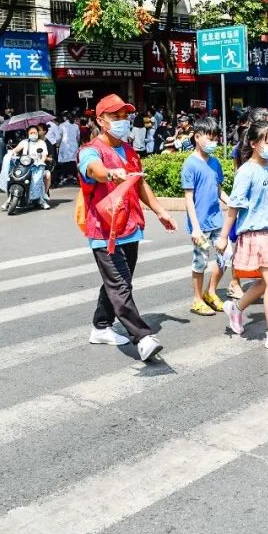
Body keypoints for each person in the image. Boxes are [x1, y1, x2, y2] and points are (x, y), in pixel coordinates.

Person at [78, 93, 176, 363]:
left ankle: (100, 326)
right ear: (101, 120)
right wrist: (110, 173)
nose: (122, 120)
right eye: (115, 116)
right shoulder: (90, 151)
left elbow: (140, 184)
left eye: (125, 115)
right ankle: (142, 337)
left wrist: (160, 211)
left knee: (119, 282)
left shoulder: (130, 151)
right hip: (103, 232)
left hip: (130, 227)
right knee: (120, 285)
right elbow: (93, 170)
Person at [217, 120, 268, 352]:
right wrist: (224, 237)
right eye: (267, 141)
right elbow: (234, 206)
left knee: (266, 282)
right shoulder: (247, 172)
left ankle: (236, 308)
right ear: (253, 143)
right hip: (255, 233)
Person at [181, 117, 228, 317]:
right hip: (200, 224)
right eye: (210, 138)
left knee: (225, 256)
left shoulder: (215, 162)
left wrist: (233, 202)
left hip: (217, 220)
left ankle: (211, 292)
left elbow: (219, 190)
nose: (213, 142)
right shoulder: (190, 164)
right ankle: (197, 300)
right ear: (197, 137)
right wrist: (196, 227)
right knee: (200, 261)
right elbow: (189, 199)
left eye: (215, 138)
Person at [5, 125, 51, 210]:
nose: (33, 134)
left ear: (38, 133)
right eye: (31, 133)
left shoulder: (42, 143)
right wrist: (10, 153)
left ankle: (42, 197)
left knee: (47, 175)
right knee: (11, 176)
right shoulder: (24, 142)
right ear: (28, 134)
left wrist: (41, 161)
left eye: (35, 132)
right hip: (24, 166)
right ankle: (8, 199)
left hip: (37, 166)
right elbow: (15, 150)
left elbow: (44, 155)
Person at [57, 112, 80, 186]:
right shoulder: (76, 126)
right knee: (73, 161)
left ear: (65, 118)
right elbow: (78, 137)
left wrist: (57, 145)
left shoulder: (61, 125)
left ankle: (65, 177)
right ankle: (73, 176)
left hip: (64, 146)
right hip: (74, 145)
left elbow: (59, 137)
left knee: (65, 162)